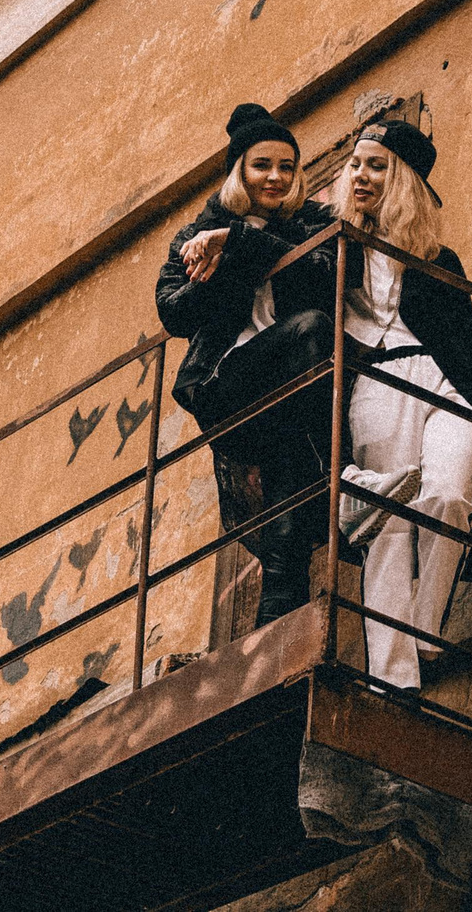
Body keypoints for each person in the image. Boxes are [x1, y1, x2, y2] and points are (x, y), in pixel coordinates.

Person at [325, 117, 472, 688]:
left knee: (450, 496)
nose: (361, 175)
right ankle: (393, 677)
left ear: (401, 180)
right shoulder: (332, 252)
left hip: (444, 385)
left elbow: (468, 353)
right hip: (376, 387)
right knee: (389, 527)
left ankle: (425, 630)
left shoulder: (438, 261)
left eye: (376, 165)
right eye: (355, 164)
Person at [157, 104, 339, 627]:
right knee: (310, 334)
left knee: (289, 479)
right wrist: (215, 264)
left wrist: (241, 242)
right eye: (263, 165)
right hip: (226, 382)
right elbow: (172, 311)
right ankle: (339, 474)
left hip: (289, 390)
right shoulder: (197, 231)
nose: (276, 177)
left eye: (287, 166)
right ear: (240, 170)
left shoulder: (313, 224)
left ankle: (278, 617)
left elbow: (331, 277)